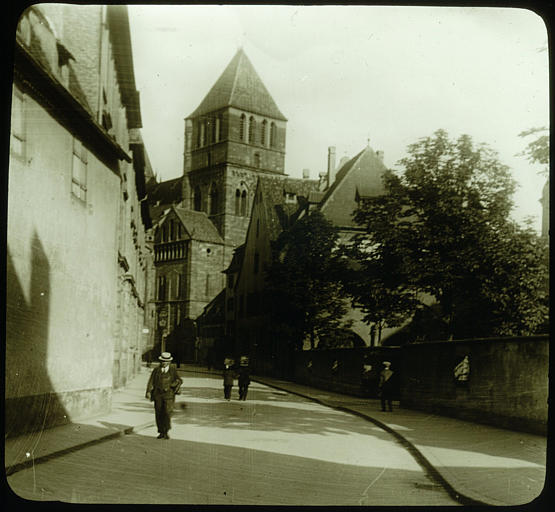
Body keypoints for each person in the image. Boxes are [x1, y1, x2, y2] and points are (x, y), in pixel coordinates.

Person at [145, 352, 182, 439]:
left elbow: (179, 380)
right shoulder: (156, 370)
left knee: (167, 413)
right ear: (160, 361)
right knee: (158, 413)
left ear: (169, 362)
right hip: (158, 395)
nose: (164, 363)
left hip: (169, 396)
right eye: (163, 361)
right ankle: (161, 431)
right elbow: (151, 381)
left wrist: (174, 384)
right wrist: (148, 392)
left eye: (166, 361)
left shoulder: (172, 371)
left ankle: (166, 431)